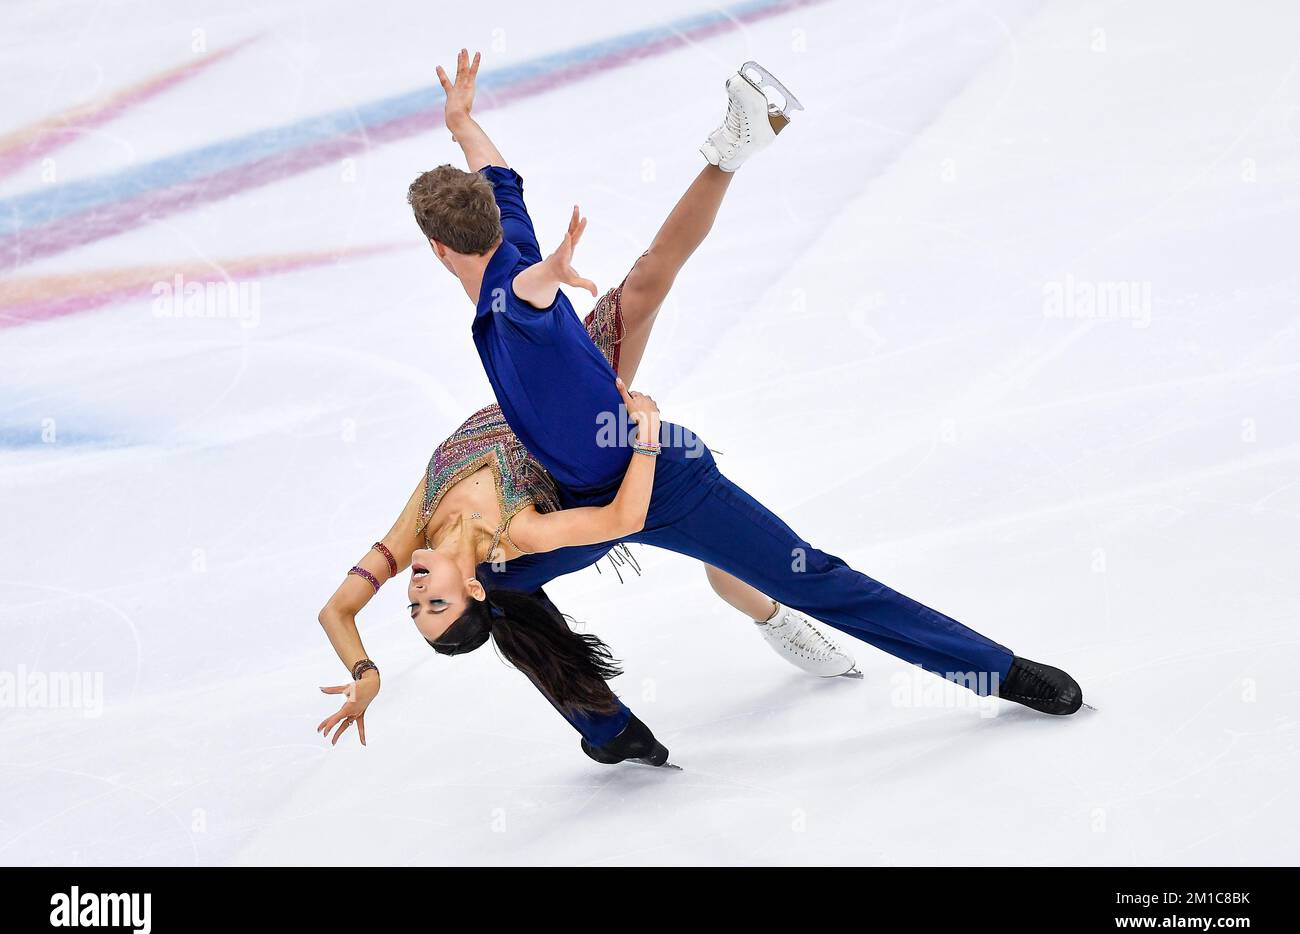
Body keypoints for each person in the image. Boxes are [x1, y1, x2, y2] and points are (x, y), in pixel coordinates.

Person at [405, 50, 1085, 748]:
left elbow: (531, 297)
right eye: (431, 603)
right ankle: (609, 731)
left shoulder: (516, 296)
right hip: (577, 500)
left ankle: (999, 671)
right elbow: (501, 182)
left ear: (436, 251)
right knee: (508, 589)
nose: (423, 590)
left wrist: (553, 276)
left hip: (662, 481)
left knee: (812, 577)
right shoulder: (504, 239)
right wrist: (463, 122)